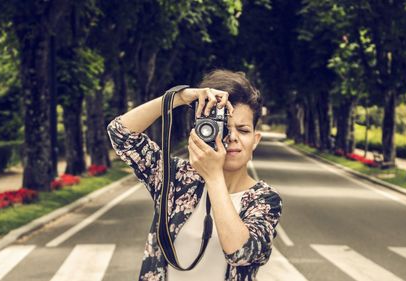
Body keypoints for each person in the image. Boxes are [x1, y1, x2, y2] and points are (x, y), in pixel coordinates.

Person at [107, 69, 282, 281]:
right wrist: (180, 97)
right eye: (224, 129)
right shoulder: (177, 178)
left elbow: (240, 252)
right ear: (203, 130)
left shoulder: (265, 200)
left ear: (255, 140)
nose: (232, 137)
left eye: (243, 130)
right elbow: (120, 133)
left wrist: (214, 177)